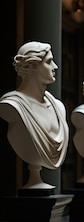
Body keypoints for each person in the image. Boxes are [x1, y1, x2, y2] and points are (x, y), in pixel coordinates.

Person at [0, 41, 69, 190]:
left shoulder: (58, 107)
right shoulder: (12, 106)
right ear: (32, 66)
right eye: (49, 62)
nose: (55, 67)